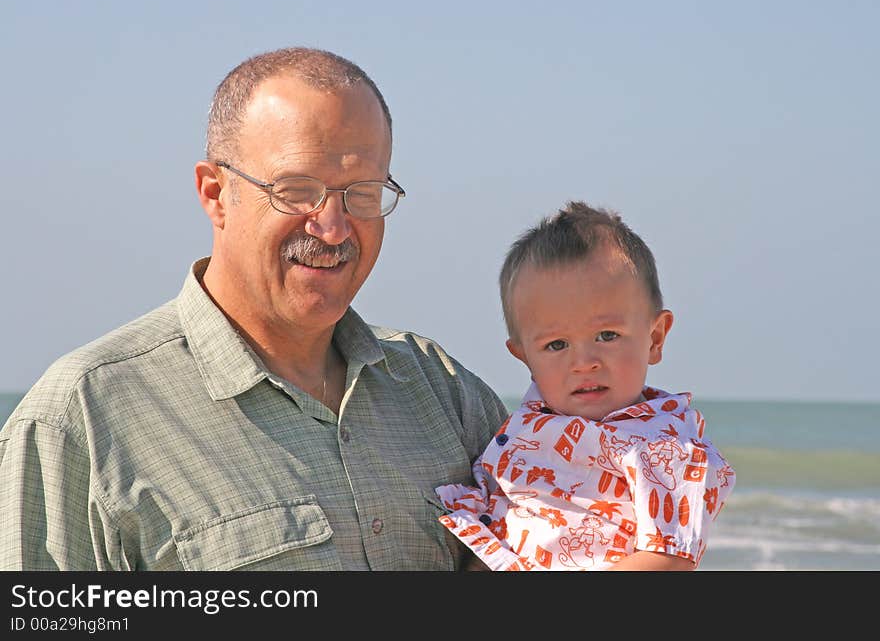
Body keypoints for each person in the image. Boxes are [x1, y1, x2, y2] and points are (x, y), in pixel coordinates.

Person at [0, 47, 508, 571]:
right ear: (216, 193)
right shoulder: (82, 418)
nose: (333, 228)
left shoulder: (443, 392)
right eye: (296, 190)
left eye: (363, 194)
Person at [435, 202, 736, 570]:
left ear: (655, 338)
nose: (584, 363)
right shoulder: (525, 427)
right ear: (524, 356)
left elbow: (669, 559)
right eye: (556, 345)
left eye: (607, 335)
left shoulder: (665, 446)